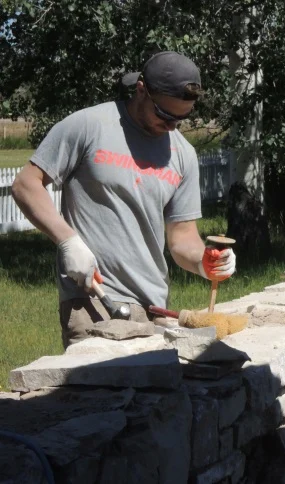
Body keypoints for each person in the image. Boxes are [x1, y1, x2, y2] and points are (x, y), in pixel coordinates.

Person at [11, 51, 235, 347]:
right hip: (93, 302)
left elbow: (182, 239)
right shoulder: (89, 126)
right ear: (141, 89)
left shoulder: (183, 154)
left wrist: (204, 262)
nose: (172, 127)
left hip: (154, 308)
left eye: (181, 118)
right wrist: (68, 242)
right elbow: (26, 184)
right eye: (165, 115)